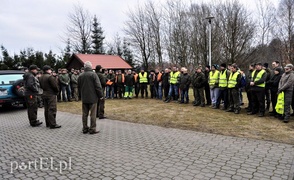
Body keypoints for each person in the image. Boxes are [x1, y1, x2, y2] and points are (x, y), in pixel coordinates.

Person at [78, 61, 103, 134]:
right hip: (93, 97)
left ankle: (85, 128)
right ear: (91, 67)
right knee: (93, 114)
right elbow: (98, 86)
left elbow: (78, 86)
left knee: (84, 114)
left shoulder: (80, 75)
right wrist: (100, 95)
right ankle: (92, 128)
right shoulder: (93, 75)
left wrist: (80, 95)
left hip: (84, 97)